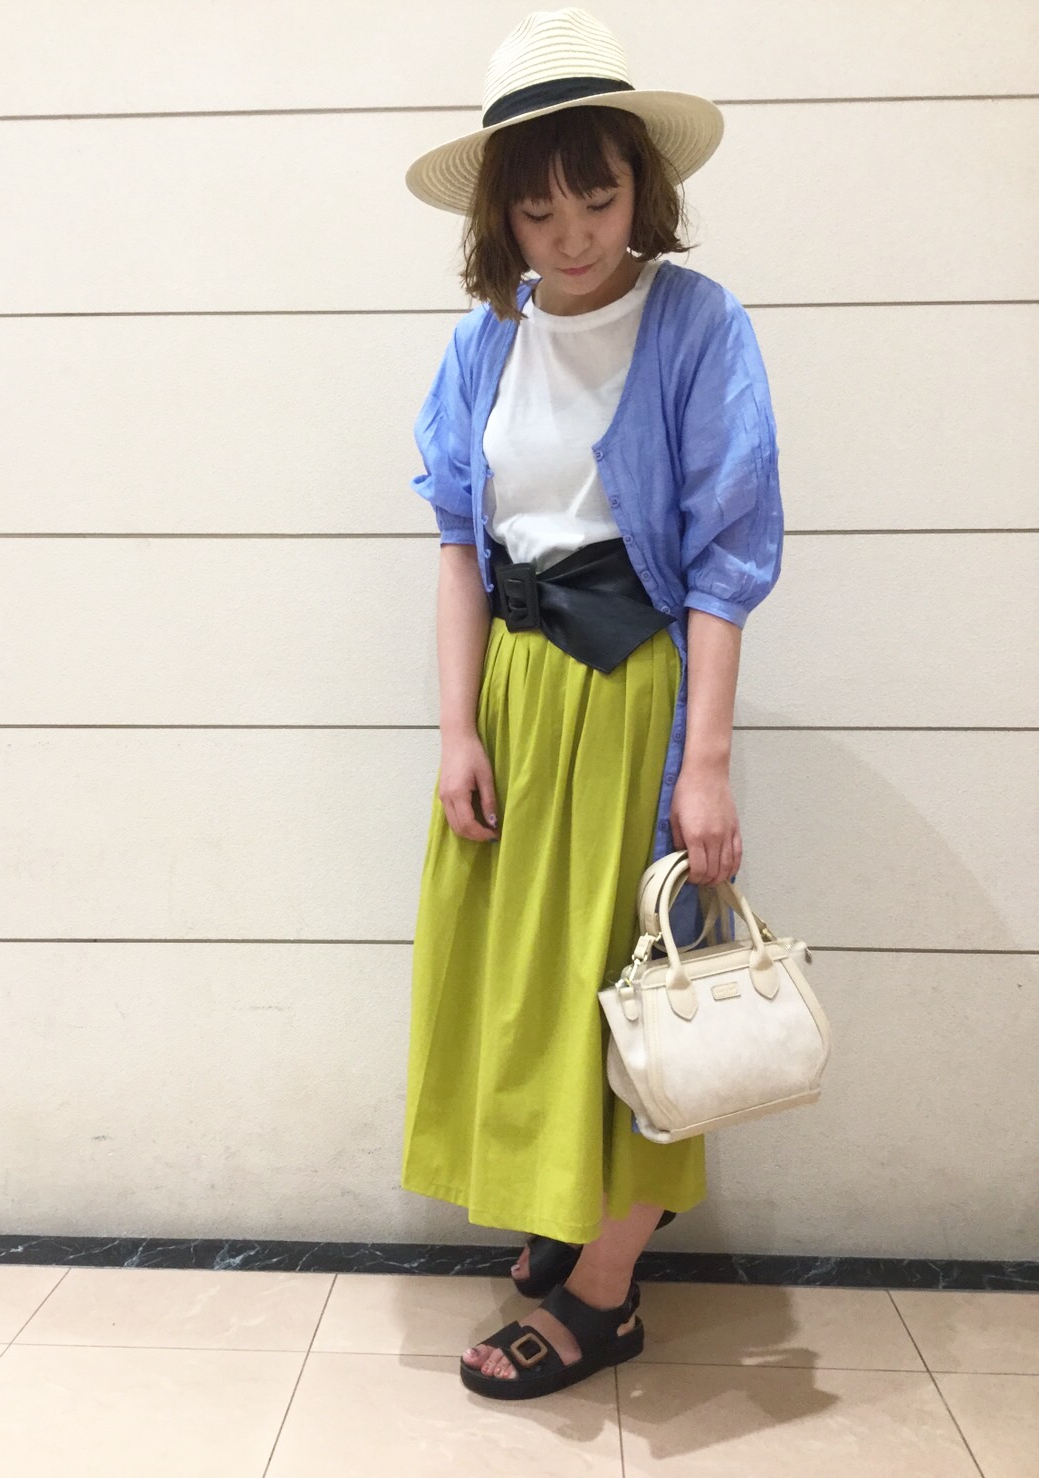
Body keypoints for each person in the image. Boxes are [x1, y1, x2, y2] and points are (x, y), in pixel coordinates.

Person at [399, 7, 783, 1400]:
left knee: (632, 983)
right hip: (515, 696)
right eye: (539, 207)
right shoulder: (482, 342)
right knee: (529, 987)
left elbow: (727, 560)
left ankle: (605, 1297)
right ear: (500, 216)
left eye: (599, 196)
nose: (572, 234)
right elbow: (462, 544)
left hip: (631, 704)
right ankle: (570, 1213)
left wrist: (706, 765)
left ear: (642, 186)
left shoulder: (695, 324)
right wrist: (459, 729)